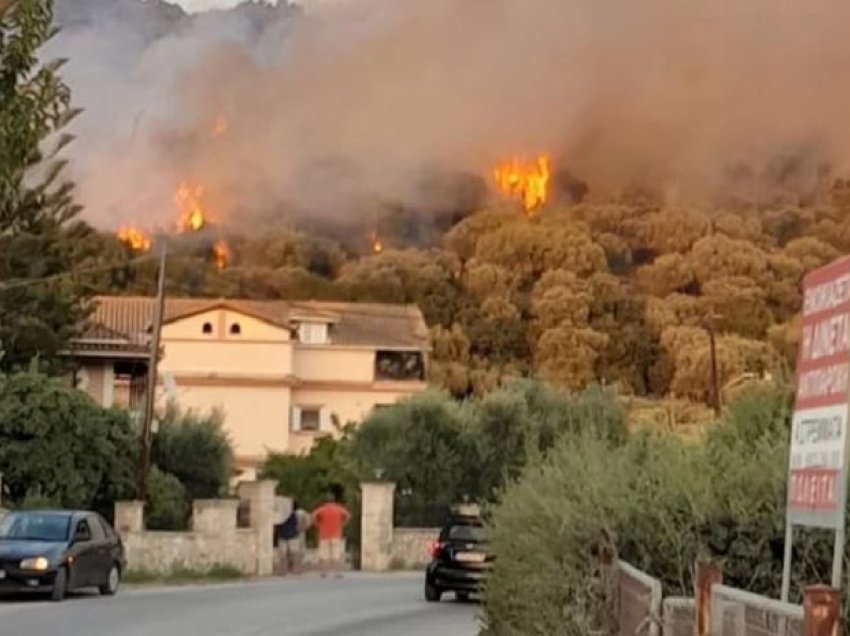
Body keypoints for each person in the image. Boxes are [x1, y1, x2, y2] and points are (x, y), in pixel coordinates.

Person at [311, 489, 351, 577]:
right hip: (336, 534)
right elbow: (348, 515)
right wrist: (343, 524)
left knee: (324, 555)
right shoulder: (339, 508)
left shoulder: (322, 509)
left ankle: (324, 572)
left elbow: (313, 515)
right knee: (336, 555)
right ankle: (337, 573)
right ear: (334, 500)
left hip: (324, 534)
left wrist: (317, 524)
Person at [275, 500, 311, 574]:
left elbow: (277, 525)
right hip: (293, 535)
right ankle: (294, 569)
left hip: (284, 535)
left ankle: (285, 570)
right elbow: (304, 523)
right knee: (293, 553)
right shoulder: (296, 514)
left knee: (284, 554)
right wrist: (300, 530)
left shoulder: (282, 515)